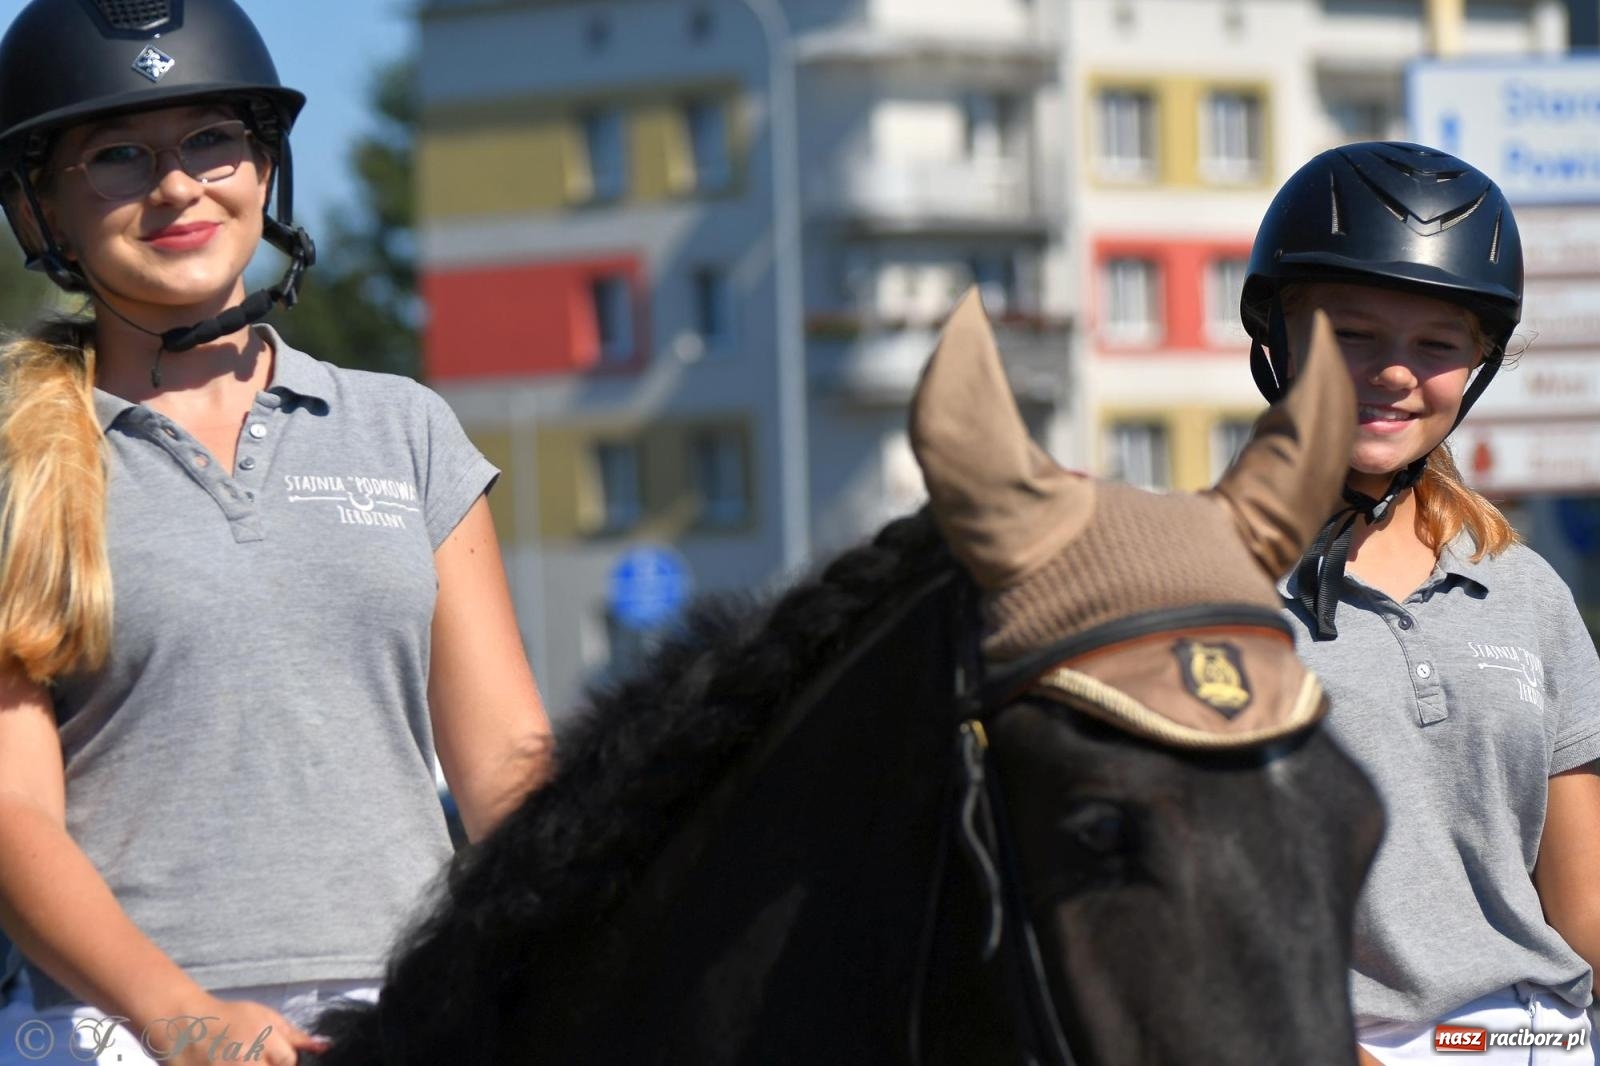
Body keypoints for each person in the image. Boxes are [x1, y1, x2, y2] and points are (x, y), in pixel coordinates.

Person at [0, 2, 553, 1064]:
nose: (177, 186)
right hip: (118, 1030)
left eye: (211, 140)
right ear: (42, 211)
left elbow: (509, 773)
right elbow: (13, 811)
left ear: (264, 169)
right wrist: (184, 1018)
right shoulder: (14, 464)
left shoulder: (405, 430)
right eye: (117, 156)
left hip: (405, 1014)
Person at [1242, 141, 1600, 1065]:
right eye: (1354, 334)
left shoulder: (1523, 588)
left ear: (1479, 363)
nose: (1396, 373)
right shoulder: (1212, 593)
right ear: (1278, 336)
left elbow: (1584, 906)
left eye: (1437, 344)